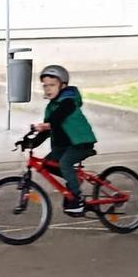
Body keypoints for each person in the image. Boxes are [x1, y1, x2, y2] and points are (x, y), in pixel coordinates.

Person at [29, 63, 97, 215]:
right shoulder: (51, 107)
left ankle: (77, 199)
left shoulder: (68, 102)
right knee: (47, 165)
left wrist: (44, 125)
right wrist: (30, 143)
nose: (48, 89)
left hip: (80, 143)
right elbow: (48, 129)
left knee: (64, 163)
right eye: (45, 86)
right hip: (64, 146)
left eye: (52, 85)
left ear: (63, 86)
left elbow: (57, 119)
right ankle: (74, 179)